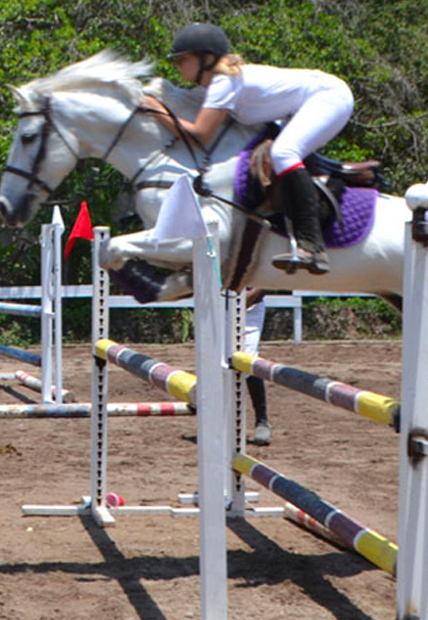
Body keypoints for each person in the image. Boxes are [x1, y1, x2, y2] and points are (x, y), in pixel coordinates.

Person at [141, 22, 354, 274]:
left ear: (205, 58)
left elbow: (200, 135)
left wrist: (158, 111)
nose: (177, 65)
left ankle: (313, 246)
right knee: (278, 154)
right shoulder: (219, 84)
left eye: (182, 59)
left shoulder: (224, 82)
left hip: (329, 97)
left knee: (283, 153)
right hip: (298, 106)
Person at [245, 287, 271, 445]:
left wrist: (252, 295)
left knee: (249, 359)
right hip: (220, 305)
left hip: (251, 307)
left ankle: (262, 420)